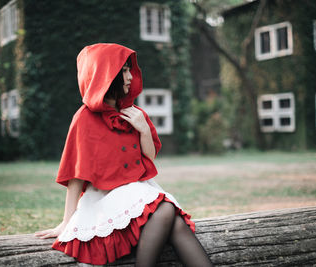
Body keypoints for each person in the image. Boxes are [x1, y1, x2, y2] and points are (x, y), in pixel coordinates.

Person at [35, 43, 213, 267]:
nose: (130, 76)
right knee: (167, 208)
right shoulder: (84, 118)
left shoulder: (134, 113)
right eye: (125, 70)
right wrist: (66, 221)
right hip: (105, 198)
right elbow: (76, 175)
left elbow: (149, 156)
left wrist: (144, 129)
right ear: (107, 74)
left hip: (138, 191)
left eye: (130, 70)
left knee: (176, 223)